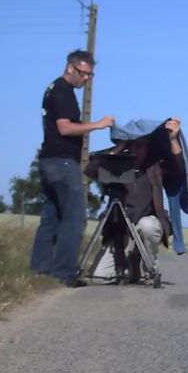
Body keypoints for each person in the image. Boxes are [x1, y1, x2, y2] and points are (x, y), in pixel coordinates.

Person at [30, 50, 114, 285]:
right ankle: (64, 273)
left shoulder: (53, 88)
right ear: (71, 68)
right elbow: (65, 128)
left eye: (90, 75)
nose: (86, 79)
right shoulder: (64, 92)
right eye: (84, 74)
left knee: (51, 218)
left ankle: (40, 270)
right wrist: (97, 125)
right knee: (75, 219)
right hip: (63, 162)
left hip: (48, 160)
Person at [91, 118, 188, 282]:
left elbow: (178, 170)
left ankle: (149, 268)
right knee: (99, 277)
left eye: (141, 146)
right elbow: (91, 170)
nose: (137, 150)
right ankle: (130, 264)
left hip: (144, 225)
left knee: (148, 226)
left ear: (148, 147)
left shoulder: (154, 165)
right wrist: (119, 147)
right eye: (133, 145)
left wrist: (173, 140)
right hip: (120, 232)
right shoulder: (118, 164)